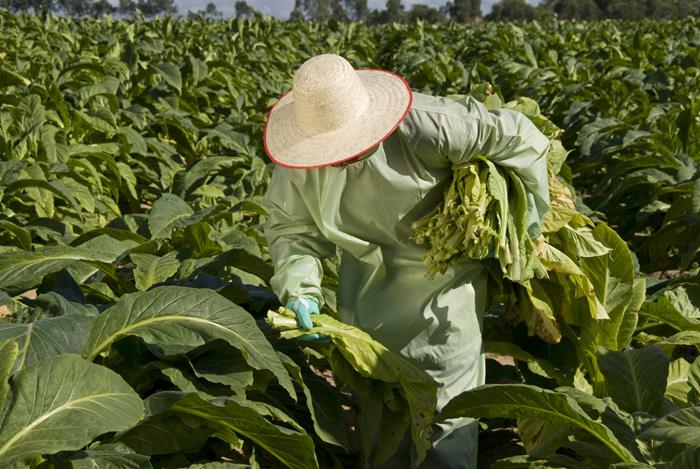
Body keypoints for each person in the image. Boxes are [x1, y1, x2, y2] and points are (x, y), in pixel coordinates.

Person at [262, 54, 550, 469]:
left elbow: (522, 140)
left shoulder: (433, 125)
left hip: (445, 286)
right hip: (366, 293)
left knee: (446, 416)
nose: (340, 159)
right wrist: (300, 292)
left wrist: (519, 226)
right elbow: (294, 232)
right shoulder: (299, 162)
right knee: (382, 414)